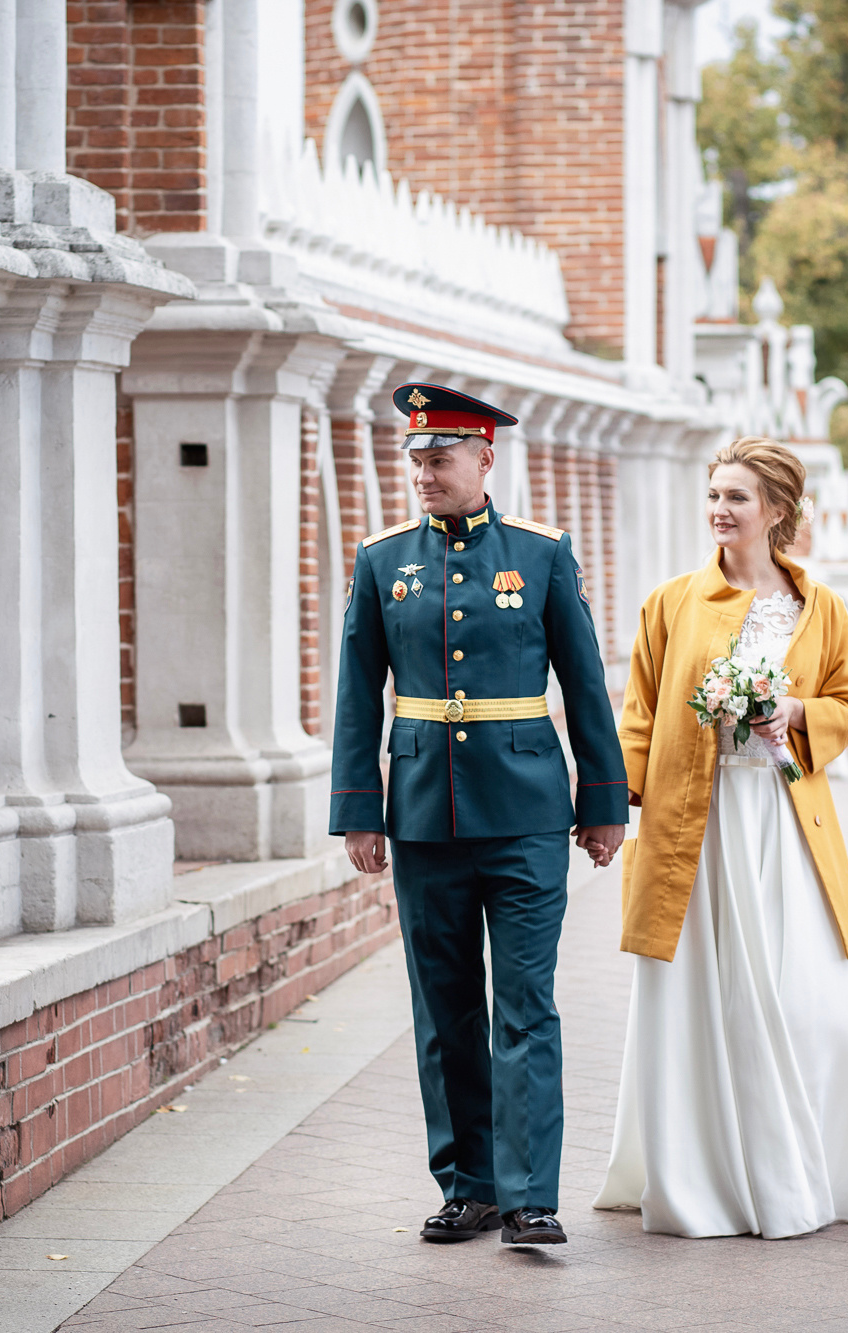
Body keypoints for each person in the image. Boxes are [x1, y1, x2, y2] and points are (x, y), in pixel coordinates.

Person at [593, 437, 848, 1239]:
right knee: (708, 1002)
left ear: (777, 511)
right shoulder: (670, 602)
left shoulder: (822, 608)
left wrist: (798, 712)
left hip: (784, 823)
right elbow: (638, 715)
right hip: (691, 832)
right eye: (714, 494)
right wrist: (608, 806)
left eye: (737, 496)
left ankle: (799, 1166)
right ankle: (707, 1179)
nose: (720, 509)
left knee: (817, 1003)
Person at [329, 382, 629, 1247]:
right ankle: (472, 1185)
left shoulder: (539, 553)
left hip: (529, 813)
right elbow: (358, 696)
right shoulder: (383, 559)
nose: (425, 471)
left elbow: (584, 681)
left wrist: (602, 802)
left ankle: (533, 1194)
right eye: (416, 458)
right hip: (423, 814)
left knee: (524, 1002)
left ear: (485, 457)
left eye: (441, 457)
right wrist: (360, 810)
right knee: (445, 1006)